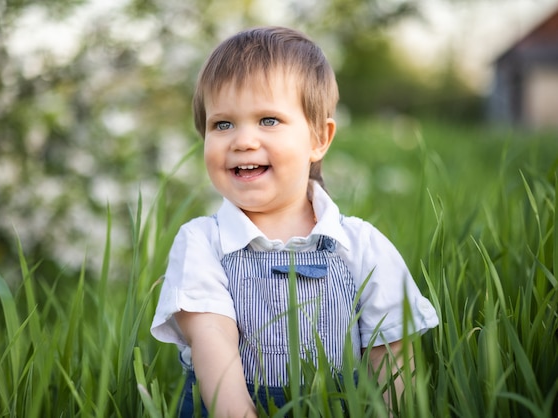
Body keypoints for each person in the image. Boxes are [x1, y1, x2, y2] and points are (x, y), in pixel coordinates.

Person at [150, 26, 438, 417]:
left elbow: (392, 360)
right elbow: (211, 339)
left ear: (319, 138)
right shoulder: (203, 243)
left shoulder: (360, 245)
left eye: (268, 120)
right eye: (222, 124)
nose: (243, 141)